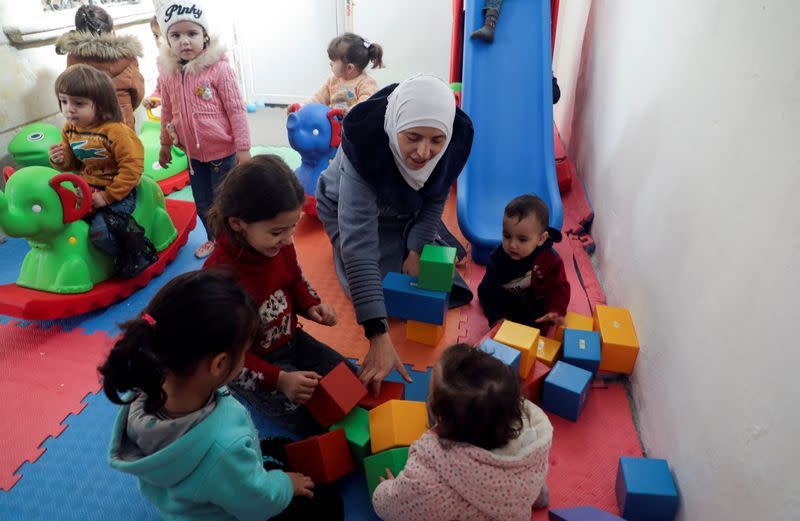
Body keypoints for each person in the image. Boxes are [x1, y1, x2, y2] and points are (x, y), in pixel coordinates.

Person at [102, 270, 343, 520]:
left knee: (281, 446)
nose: (246, 360)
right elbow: (258, 505)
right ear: (218, 365)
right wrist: (285, 484)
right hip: (236, 502)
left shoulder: (149, 384)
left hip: (192, 495)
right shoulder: (224, 447)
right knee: (329, 505)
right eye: (246, 353)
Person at [316, 74, 474, 394]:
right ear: (395, 125)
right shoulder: (365, 150)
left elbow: (436, 197)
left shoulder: (453, 145)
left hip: (402, 208)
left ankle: (414, 234)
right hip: (348, 211)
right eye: (412, 137)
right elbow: (359, 246)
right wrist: (377, 334)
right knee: (379, 291)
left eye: (436, 141)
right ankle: (410, 234)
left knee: (437, 278)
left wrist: (416, 250)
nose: (423, 152)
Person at [204, 155, 354, 435]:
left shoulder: (278, 246)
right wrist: (280, 380)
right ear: (238, 224)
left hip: (291, 341)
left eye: (293, 228)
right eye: (277, 232)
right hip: (252, 365)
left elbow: (294, 278)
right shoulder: (218, 279)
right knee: (307, 419)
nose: (287, 239)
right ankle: (248, 397)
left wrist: (311, 305)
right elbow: (228, 358)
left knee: (349, 381)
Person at [372, 343, 553, 520]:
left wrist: (385, 491)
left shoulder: (425, 476)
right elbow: (533, 473)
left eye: (431, 395)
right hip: (515, 503)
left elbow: (390, 508)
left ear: (440, 418)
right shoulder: (533, 445)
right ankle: (535, 497)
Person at [154, 0, 251, 259]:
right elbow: (166, 109)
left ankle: (233, 243)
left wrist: (243, 149)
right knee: (203, 203)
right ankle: (214, 240)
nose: (184, 41)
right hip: (193, 156)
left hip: (222, 152)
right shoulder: (168, 73)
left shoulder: (219, 69)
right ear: (166, 39)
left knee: (226, 203)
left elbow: (236, 110)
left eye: (192, 33)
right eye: (176, 35)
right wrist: (164, 143)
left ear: (205, 36)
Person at [48, 64, 154, 277]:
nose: (69, 109)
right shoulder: (69, 129)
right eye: (64, 101)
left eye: (78, 103)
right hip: (87, 188)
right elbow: (73, 164)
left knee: (101, 232)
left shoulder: (117, 132)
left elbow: (132, 169)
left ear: (102, 104)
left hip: (118, 191)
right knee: (62, 223)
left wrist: (107, 197)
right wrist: (59, 160)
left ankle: (136, 254)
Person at [478, 195, 570, 329]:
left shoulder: (550, 261)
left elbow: (559, 289)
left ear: (541, 239)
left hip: (533, 301)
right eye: (507, 236)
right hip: (505, 298)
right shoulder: (498, 257)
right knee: (485, 293)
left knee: (541, 323)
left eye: (522, 240)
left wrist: (555, 311)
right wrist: (495, 318)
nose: (513, 245)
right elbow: (491, 292)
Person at [55, 4, 144, 130]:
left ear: (79, 31)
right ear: (111, 30)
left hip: (86, 127)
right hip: (121, 124)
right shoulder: (127, 56)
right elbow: (138, 93)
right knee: (125, 149)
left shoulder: (73, 58)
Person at [292, 33, 382, 113]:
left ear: (349, 68)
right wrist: (302, 106)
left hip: (354, 128)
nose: (330, 63)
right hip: (332, 126)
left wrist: (352, 111)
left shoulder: (366, 83)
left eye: (333, 61)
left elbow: (366, 104)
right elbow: (318, 98)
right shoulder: (333, 80)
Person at [142, 16, 163, 111]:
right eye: (156, 36)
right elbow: (161, 89)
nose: (159, 41)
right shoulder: (162, 63)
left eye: (164, 34)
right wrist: (153, 99)